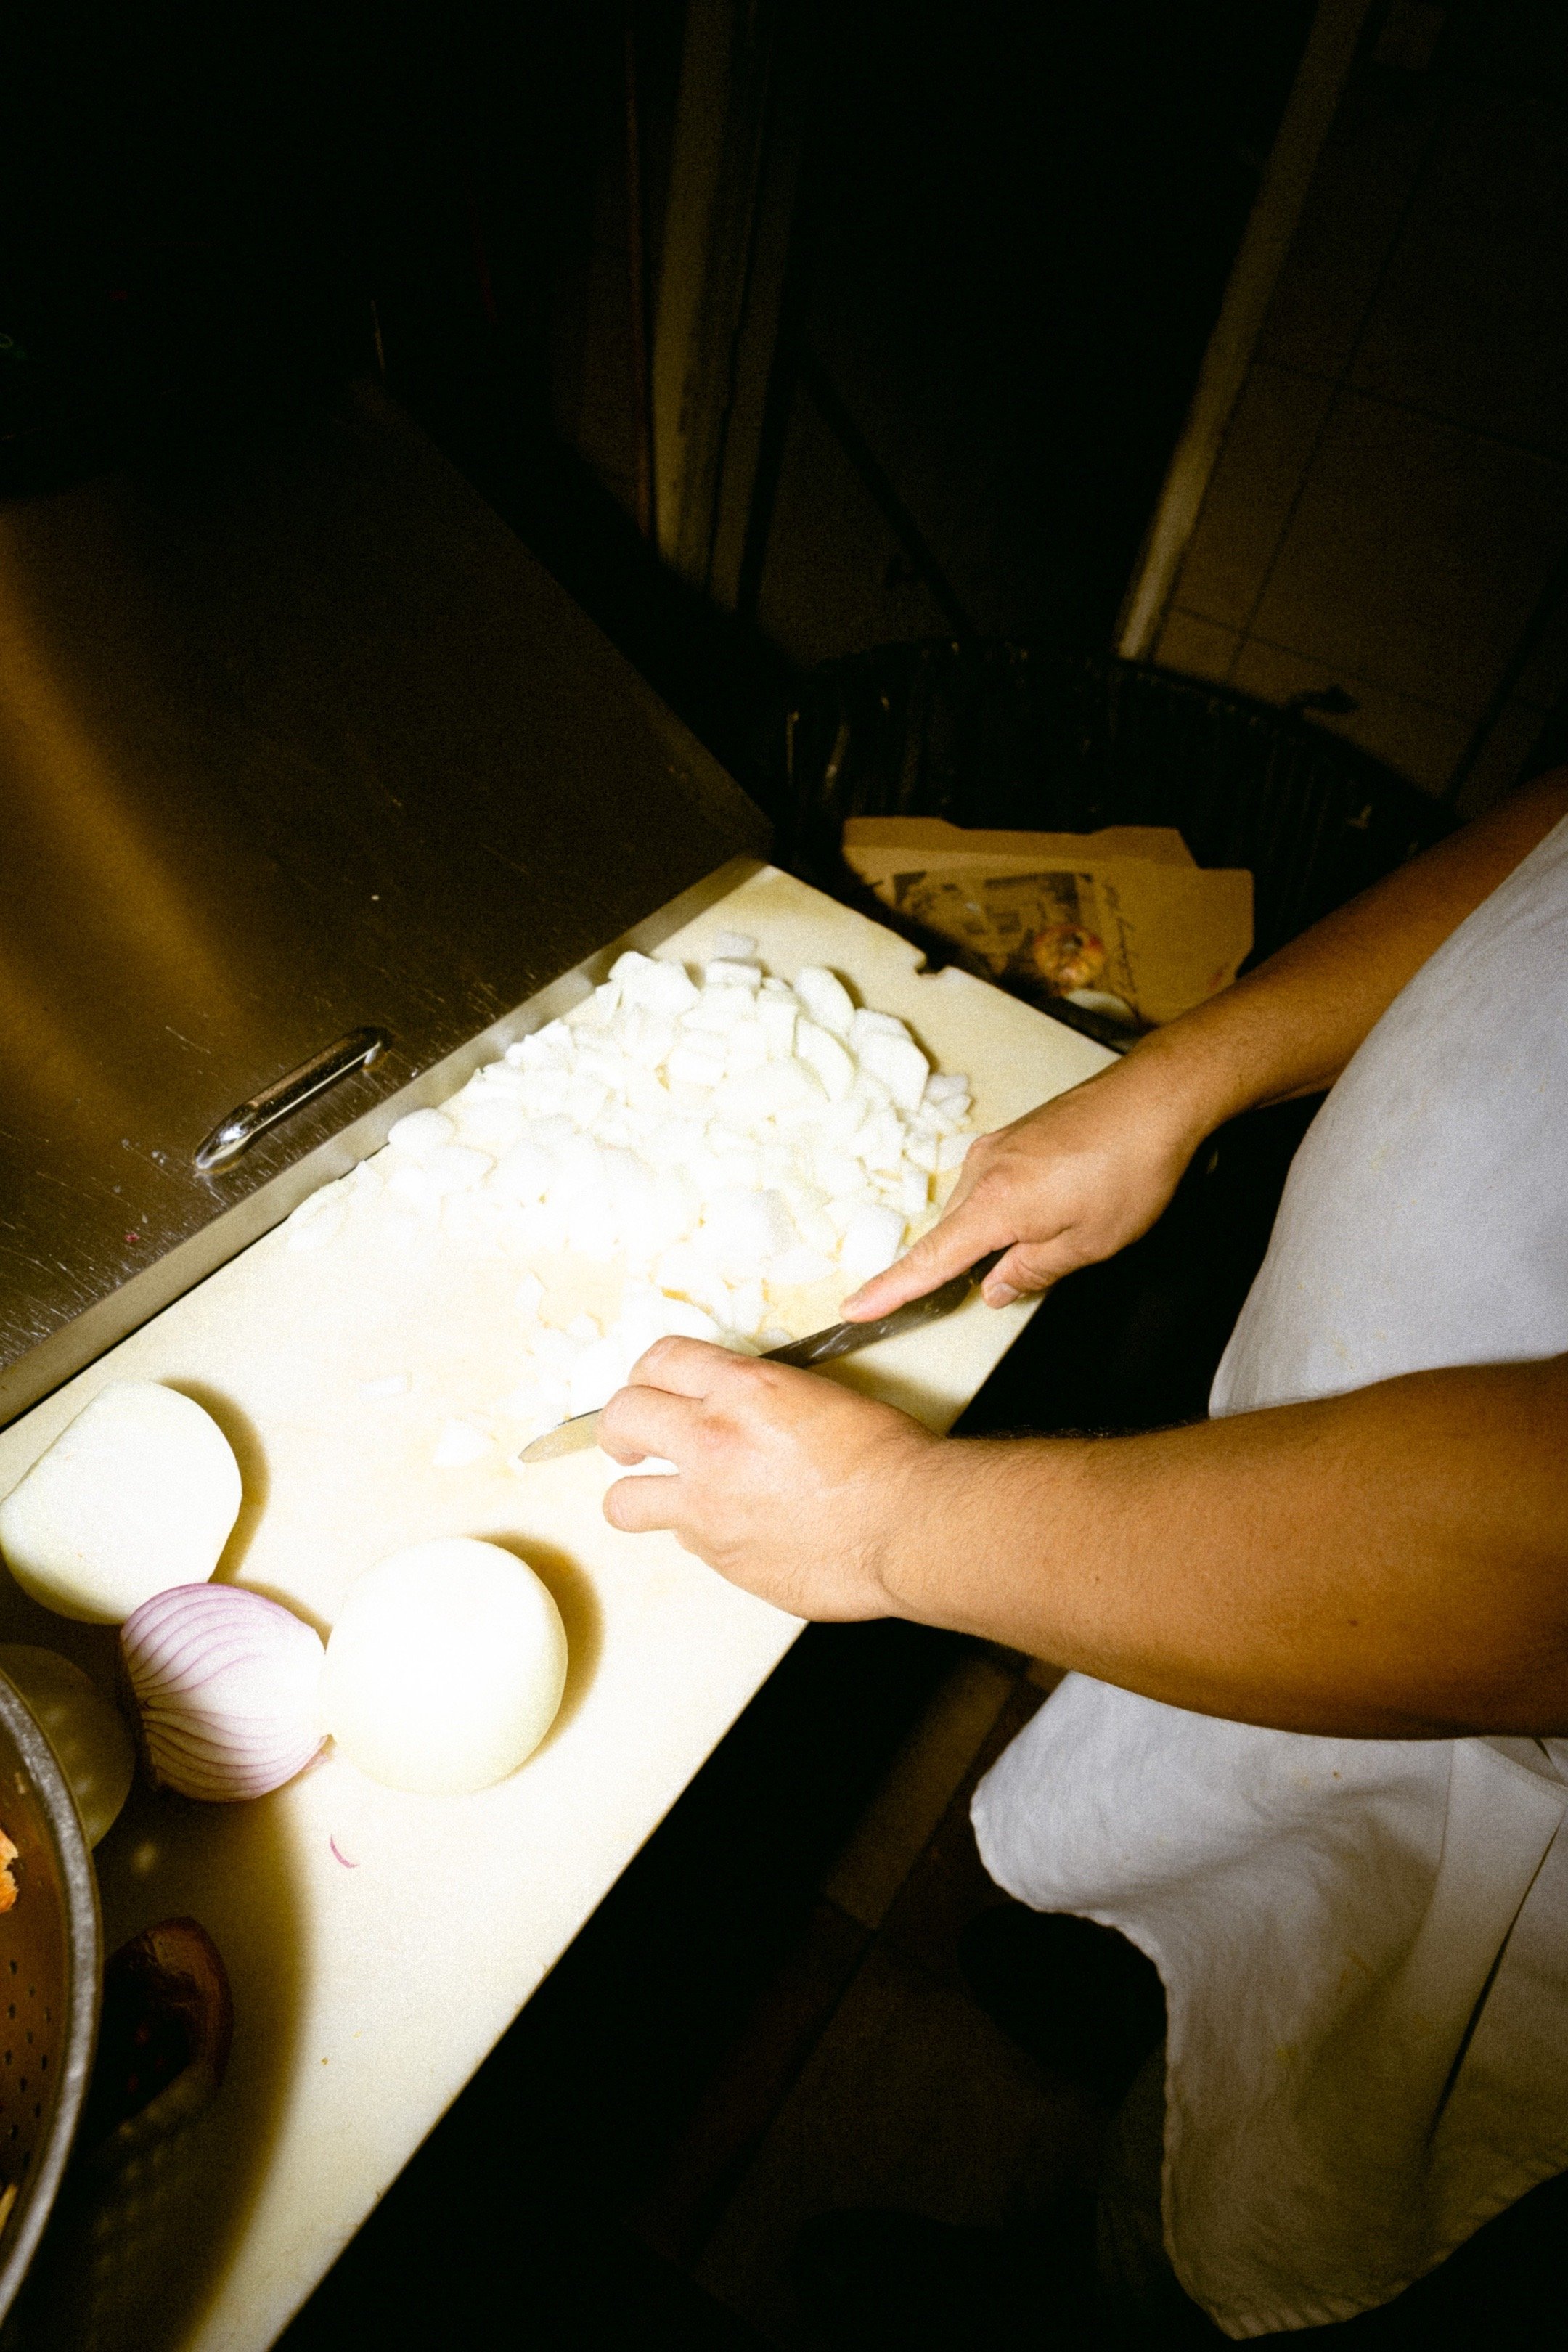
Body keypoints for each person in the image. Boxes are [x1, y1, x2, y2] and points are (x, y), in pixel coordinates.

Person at [599, 767, 1568, 2342]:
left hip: (1505, 1764)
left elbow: (1540, 1573)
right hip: (1311, 1505)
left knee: (1280, 2199)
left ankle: (1089, 2301)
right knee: (1244, 1888)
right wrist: (1182, 1080)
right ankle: (1158, 1999)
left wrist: (891, 1524)